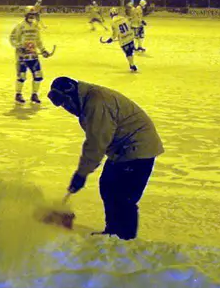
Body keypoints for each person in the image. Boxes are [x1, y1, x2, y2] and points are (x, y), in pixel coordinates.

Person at [47, 77, 164, 240]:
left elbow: (97, 142)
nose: (67, 108)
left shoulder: (96, 103)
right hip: (122, 149)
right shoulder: (88, 99)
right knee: (108, 186)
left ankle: (124, 239)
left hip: (137, 149)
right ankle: (113, 232)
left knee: (123, 196)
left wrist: (81, 174)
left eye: (66, 103)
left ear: (72, 94)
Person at [9, 6, 52, 104]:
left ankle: (34, 94)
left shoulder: (36, 26)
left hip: (33, 56)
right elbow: (12, 38)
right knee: (22, 76)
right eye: (30, 15)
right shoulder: (20, 26)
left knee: (38, 76)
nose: (32, 17)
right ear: (26, 15)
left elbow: (38, 41)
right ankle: (18, 94)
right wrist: (19, 46)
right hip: (22, 57)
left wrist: (43, 50)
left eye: (33, 15)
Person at [104, 7, 138, 72]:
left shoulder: (113, 22)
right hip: (130, 37)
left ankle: (132, 65)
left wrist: (111, 39)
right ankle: (132, 64)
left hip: (123, 39)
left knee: (128, 53)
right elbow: (130, 25)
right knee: (131, 52)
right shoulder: (123, 18)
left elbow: (115, 33)